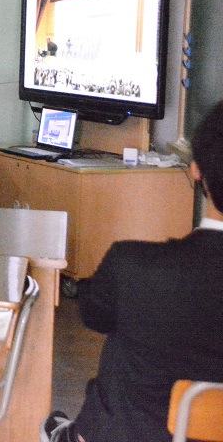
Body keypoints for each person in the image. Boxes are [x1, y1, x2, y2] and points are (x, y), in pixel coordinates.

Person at [41, 100, 223, 442]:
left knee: (128, 332)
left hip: (137, 431)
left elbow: (93, 315)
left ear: (196, 170)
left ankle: (81, 435)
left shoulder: (132, 266)